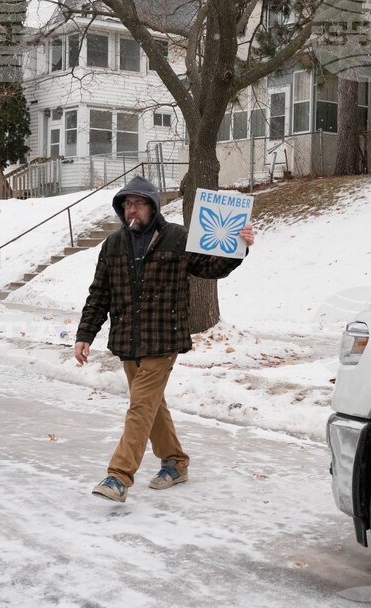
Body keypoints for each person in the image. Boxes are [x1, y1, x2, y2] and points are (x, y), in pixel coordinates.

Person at [75, 175, 255, 503]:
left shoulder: (176, 237)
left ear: (153, 206)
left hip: (163, 338)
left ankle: (118, 476)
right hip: (127, 340)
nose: (132, 210)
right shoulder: (113, 245)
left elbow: (211, 266)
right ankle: (175, 462)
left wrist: (237, 247)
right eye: (127, 204)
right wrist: (85, 334)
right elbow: (99, 293)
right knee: (152, 406)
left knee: (140, 405)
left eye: (138, 204)